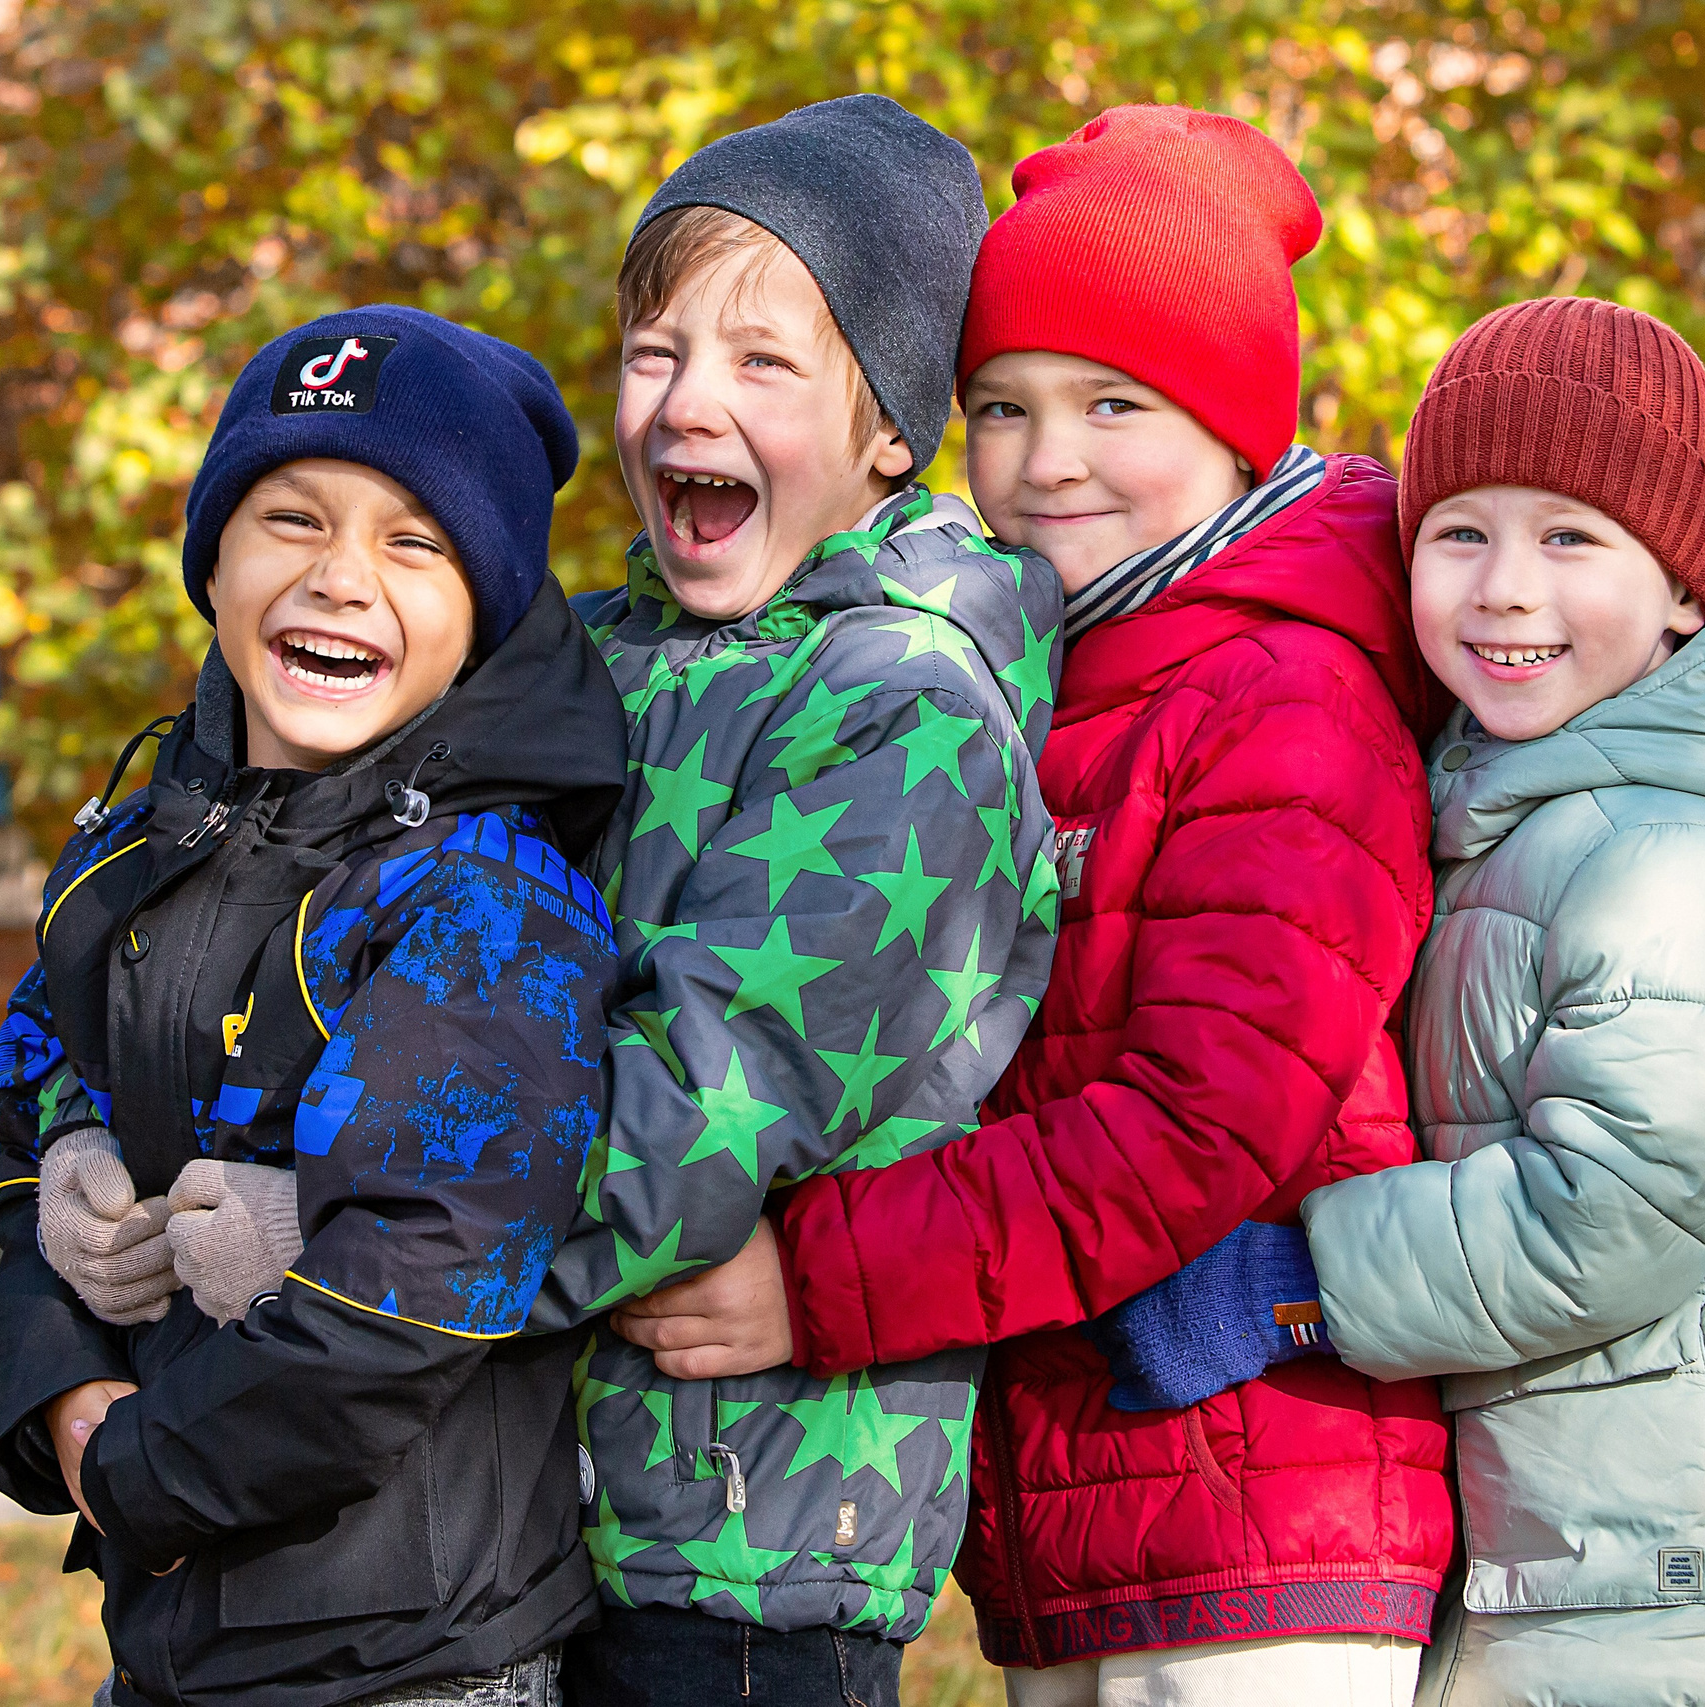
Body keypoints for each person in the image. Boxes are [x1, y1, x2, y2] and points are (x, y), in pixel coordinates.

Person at [622, 105, 1458, 1706]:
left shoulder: (1284, 699)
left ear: (1236, 433)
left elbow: (1199, 1126)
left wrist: (824, 1276)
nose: (1046, 457)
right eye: (1001, 406)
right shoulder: (1062, 681)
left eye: (1114, 404)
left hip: (1257, 1500)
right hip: (1088, 1502)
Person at [1282, 296, 1705, 1704]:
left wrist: (1296, 1282)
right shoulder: (1519, 818)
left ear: (1687, 590)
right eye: (1461, 533)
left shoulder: (1687, 858)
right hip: (1607, 1563)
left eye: (1571, 536)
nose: (1507, 586)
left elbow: (1613, 1208)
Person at [0, 306, 626, 1707]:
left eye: (414, 542)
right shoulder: (142, 847)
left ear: (488, 605)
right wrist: (62, 1374)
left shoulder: (489, 896)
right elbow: (31, 1097)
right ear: (214, 560)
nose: (340, 578)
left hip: (407, 1649)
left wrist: (135, 1471)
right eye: (290, 518)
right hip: (176, 1640)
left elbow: (420, 1282)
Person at [528, 95, 1064, 1707]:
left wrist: (353, 1263)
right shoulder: (581, 665)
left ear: (890, 427)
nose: (690, 402)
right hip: (534, 1517)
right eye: (654, 350)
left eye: (765, 362)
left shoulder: (904, 703)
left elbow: (700, 1108)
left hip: (748, 1555)